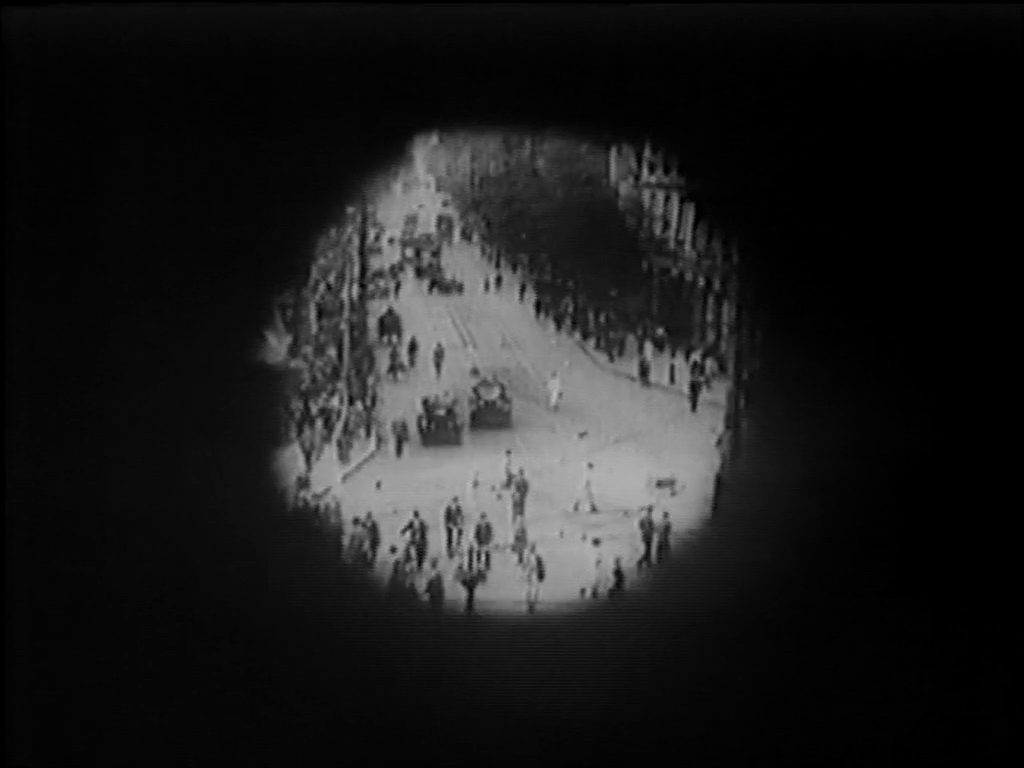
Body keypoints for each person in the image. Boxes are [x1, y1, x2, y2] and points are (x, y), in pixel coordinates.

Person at [523, 543, 544, 613]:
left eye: (532, 548)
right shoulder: (532, 556)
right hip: (532, 575)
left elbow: (526, 566)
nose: (531, 549)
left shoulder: (533, 556)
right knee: (532, 589)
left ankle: (531, 604)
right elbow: (527, 566)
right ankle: (531, 604)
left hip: (533, 575)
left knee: (532, 589)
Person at [637, 506, 656, 570]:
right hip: (648, 536)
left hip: (645, 536)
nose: (651, 512)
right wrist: (652, 530)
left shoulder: (644, 518)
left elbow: (640, 524)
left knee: (648, 550)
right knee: (648, 550)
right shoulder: (649, 518)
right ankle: (641, 561)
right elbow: (651, 527)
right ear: (650, 511)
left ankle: (648, 563)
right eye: (651, 510)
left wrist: (643, 530)